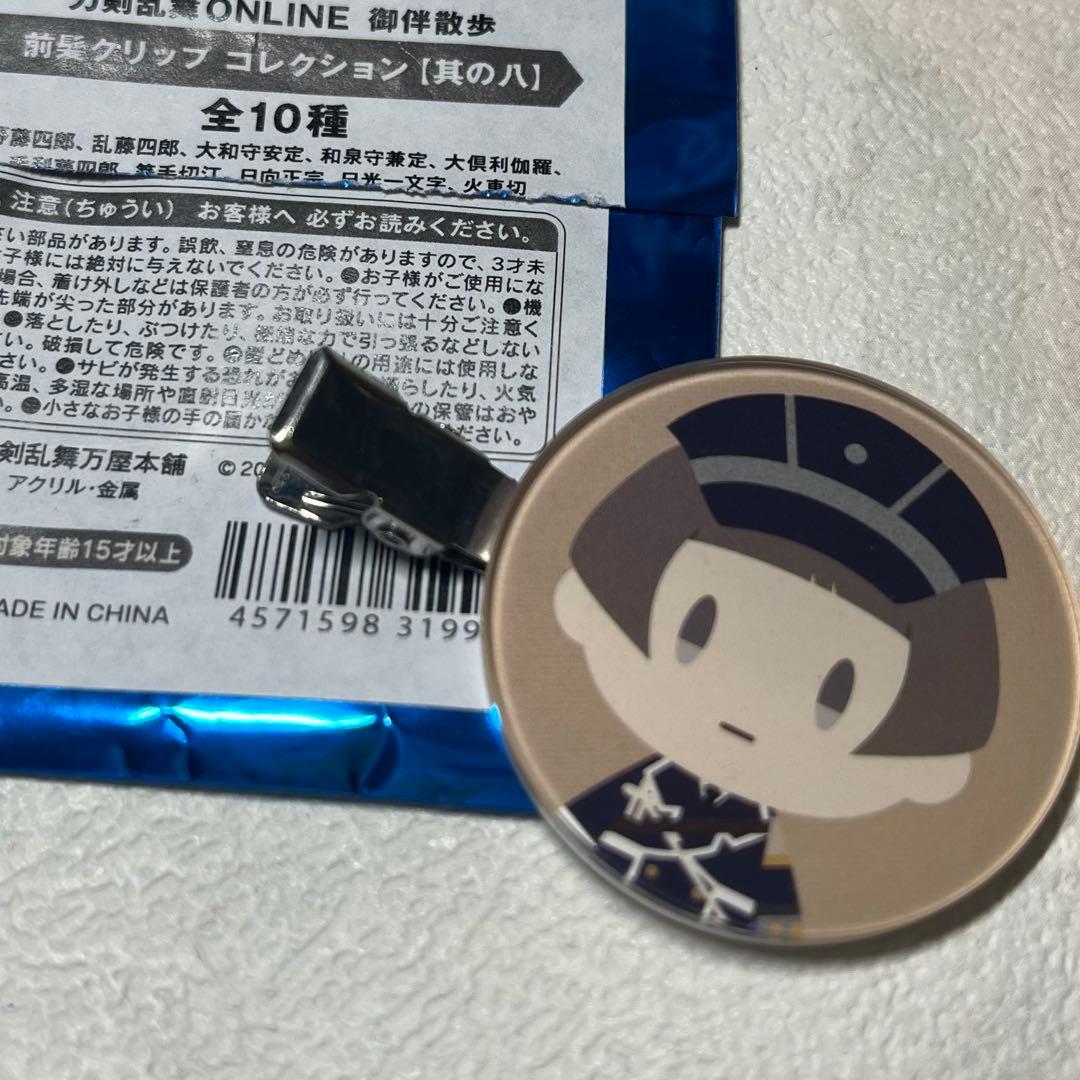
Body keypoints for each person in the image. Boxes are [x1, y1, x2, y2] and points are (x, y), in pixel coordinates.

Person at [554, 392, 1007, 936]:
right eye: (696, 634)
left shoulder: (795, 877)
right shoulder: (605, 798)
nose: (747, 704)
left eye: (833, 697)